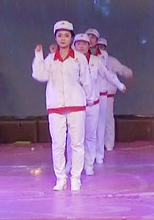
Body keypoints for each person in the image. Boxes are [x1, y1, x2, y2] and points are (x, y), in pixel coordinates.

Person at [32, 21, 92, 191]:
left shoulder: (79, 58)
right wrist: (38, 55)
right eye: (59, 35)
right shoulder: (51, 59)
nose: (63, 38)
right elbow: (40, 75)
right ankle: (61, 178)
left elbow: (86, 80)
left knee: (77, 144)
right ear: (56, 38)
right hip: (55, 106)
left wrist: (89, 99)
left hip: (76, 105)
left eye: (66, 35)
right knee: (58, 144)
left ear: (71, 38)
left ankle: (76, 178)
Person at [70, 33, 125, 176]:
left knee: (91, 134)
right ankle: (71, 164)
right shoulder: (70, 61)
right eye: (78, 44)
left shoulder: (96, 61)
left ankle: (90, 163)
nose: (81, 46)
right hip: (75, 104)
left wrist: (119, 84)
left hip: (92, 103)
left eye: (84, 43)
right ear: (74, 45)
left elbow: (107, 74)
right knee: (73, 136)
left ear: (89, 45)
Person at [96, 38, 133, 157]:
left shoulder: (111, 61)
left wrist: (128, 73)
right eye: (98, 46)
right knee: (95, 122)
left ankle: (109, 144)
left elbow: (121, 69)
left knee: (107, 120)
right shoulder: (91, 60)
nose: (100, 48)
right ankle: (98, 145)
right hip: (94, 97)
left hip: (108, 96)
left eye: (102, 46)